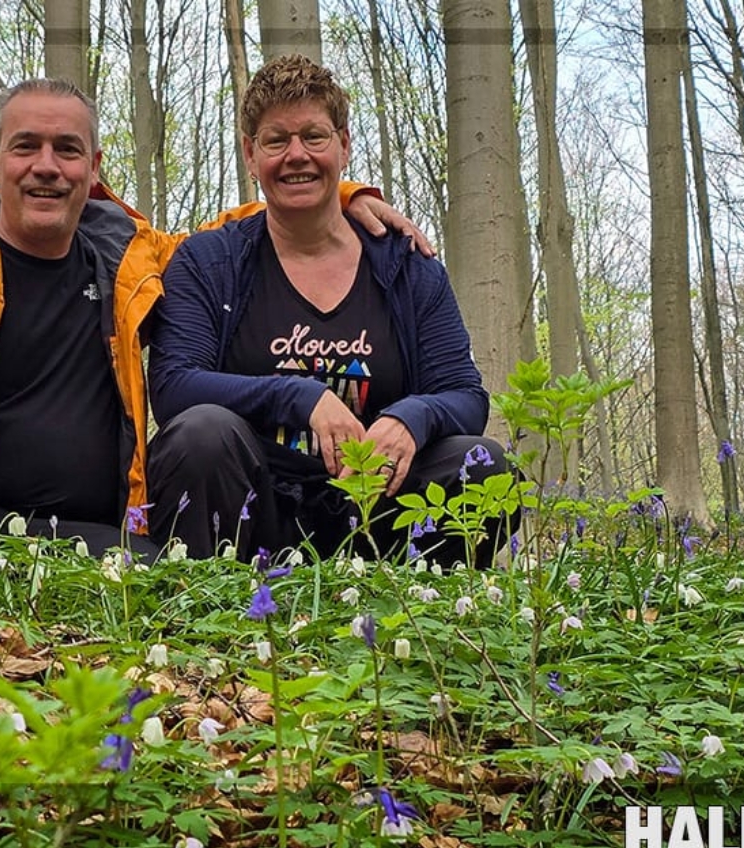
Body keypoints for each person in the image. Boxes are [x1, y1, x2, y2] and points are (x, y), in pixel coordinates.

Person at [0, 77, 426, 556]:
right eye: (27, 147)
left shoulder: (132, 256)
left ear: (94, 165)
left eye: (68, 150)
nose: (46, 167)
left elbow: (239, 230)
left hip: (91, 534)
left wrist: (340, 192)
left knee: (155, 563)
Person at [145, 56, 513, 566]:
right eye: (276, 141)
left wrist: (414, 417)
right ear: (251, 155)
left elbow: (466, 396)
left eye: (314, 137)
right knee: (199, 433)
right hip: (257, 508)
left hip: (379, 506)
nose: (297, 156)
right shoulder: (211, 260)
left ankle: (426, 619)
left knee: (483, 463)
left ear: (344, 145)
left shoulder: (407, 266)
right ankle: (211, 612)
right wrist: (298, 396)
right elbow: (172, 388)